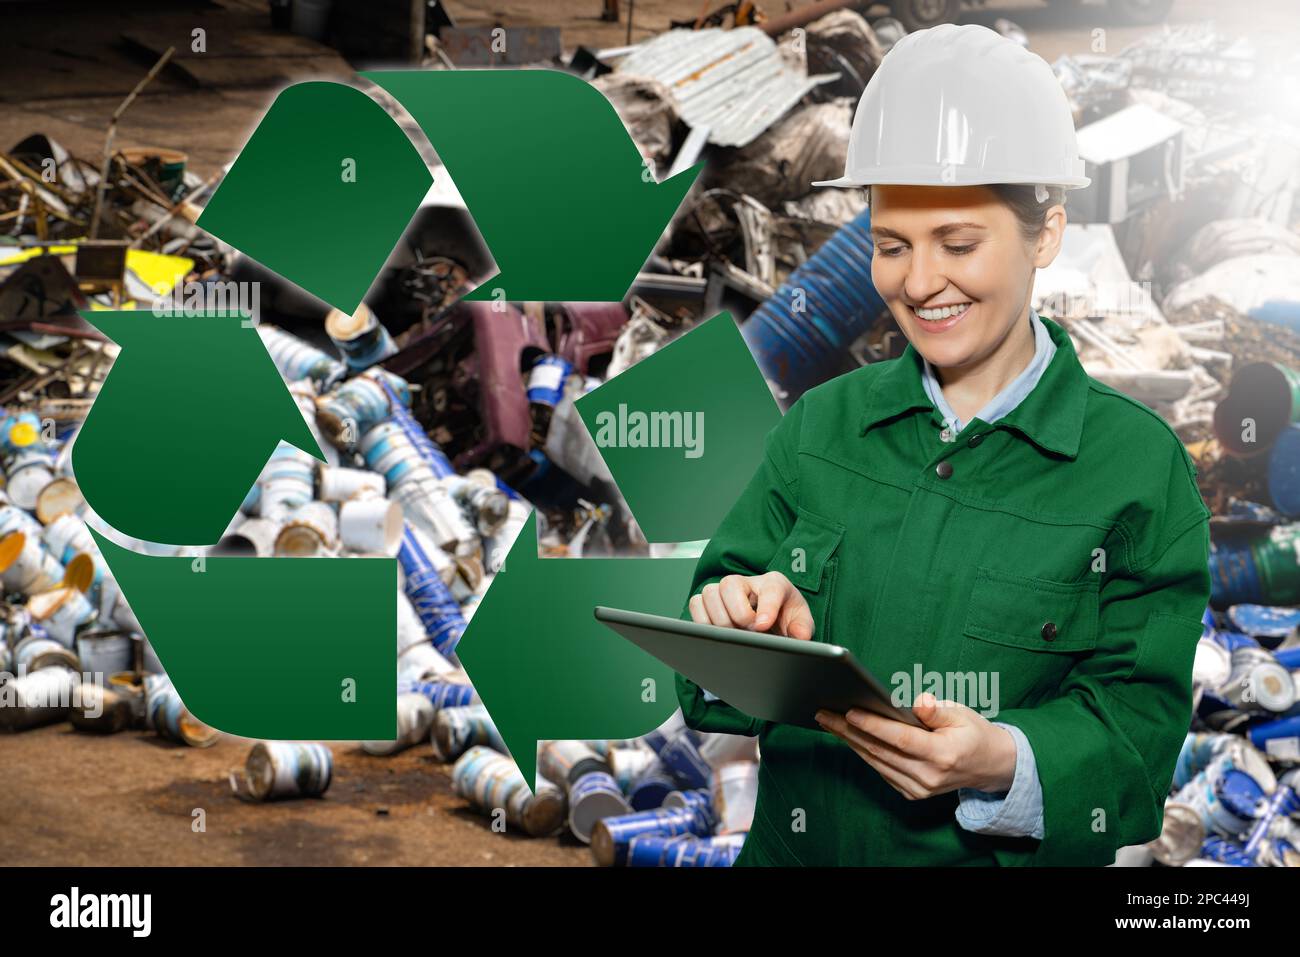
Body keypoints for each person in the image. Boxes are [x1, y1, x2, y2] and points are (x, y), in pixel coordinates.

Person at [675, 23, 1212, 866]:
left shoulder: (1136, 472)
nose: (919, 283)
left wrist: (1005, 761)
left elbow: (1138, 743)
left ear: (1045, 235)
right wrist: (734, 622)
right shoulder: (822, 427)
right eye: (892, 246)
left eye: (958, 244)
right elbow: (711, 661)